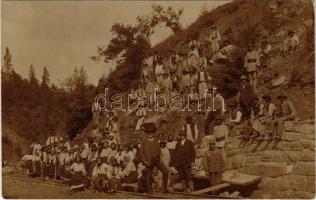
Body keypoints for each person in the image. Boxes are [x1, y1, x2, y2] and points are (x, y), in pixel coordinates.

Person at [139, 126, 169, 193]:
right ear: (147, 133)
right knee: (148, 175)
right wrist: (145, 161)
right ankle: (149, 190)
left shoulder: (155, 140)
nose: (150, 134)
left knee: (166, 171)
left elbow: (159, 150)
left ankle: (164, 188)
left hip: (157, 159)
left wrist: (161, 157)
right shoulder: (143, 141)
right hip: (149, 160)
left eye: (152, 132)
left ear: (153, 133)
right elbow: (141, 153)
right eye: (149, 133)